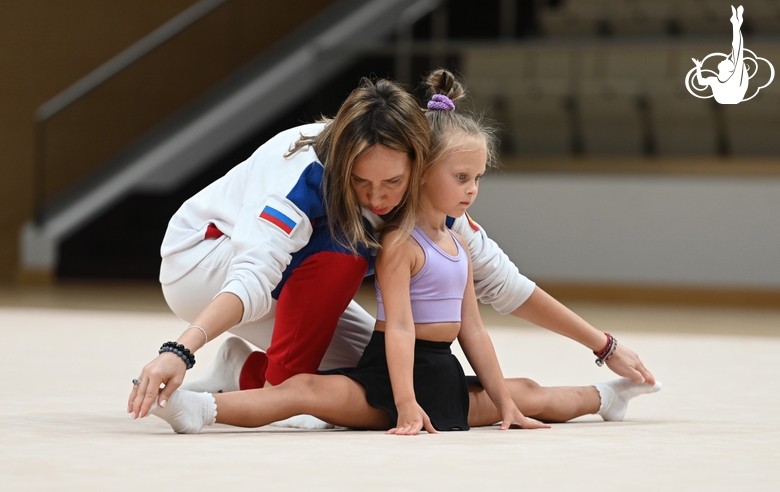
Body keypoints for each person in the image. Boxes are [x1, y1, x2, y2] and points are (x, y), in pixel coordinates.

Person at [145, 71, 661, 435]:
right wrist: (181, 349)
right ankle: (267, 387)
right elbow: (255, 275)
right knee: (344, 261)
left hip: (287, 282)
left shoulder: (434, 202)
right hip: (204, 265)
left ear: (421, 162)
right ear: (342, 160)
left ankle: (245, 373)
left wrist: (604, 344)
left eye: (393, 181)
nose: (378, 198)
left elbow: (502, 284)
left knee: (376, 370)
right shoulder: (302, 177)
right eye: (361, 182)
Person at [692, 5, 748, 104]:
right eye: (728, 60)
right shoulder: (715, 80)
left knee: (737, 51)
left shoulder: (733, 77)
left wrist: (736, 25)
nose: (725, 59)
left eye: (727, 61)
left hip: (733, 96)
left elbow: (737, 48)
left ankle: (736, 23)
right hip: (728, 97)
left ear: (729, 69)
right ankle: (736, 23)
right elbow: (701, 82)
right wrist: (698, 67)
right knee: (737, 52)